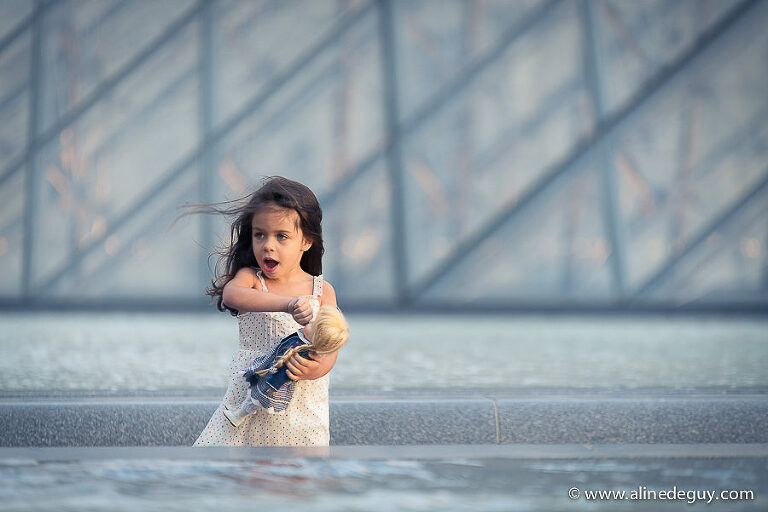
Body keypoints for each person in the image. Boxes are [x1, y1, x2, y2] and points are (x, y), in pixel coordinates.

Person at [190, 176, 341, 446]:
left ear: (306, 241)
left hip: (299, 403)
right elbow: (233, 295)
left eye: (281, 236)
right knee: (243, 469)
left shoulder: (322, 290)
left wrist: (313, 369)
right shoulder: (250, 278)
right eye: (260, 234)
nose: (268, 245)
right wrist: (288, 304)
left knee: (297, 475)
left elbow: (331, 346)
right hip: (248, 396)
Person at [223, 305, 349, 427]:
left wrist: (271, 386)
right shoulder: (300, 341)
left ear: (316, 337)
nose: (310, 322)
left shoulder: (299, 350)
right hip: (269, 371)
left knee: (253, 400)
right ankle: (237, 412)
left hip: (271, 382)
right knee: (251, 395)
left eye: (313, 325)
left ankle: (238, 416)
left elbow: (284, 374)